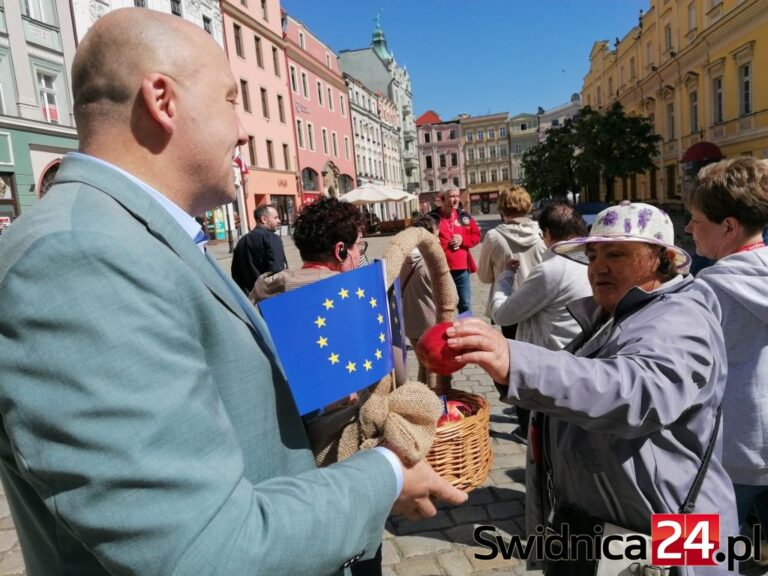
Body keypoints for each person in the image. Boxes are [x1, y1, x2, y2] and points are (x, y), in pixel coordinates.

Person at [0, 9, 465, 576]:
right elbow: (204, 551)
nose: (244, 129)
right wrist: (387, 473)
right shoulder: (74, 257)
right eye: (229, 99)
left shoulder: (135, 235)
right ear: (163, 101)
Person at [447, 201, 738, 574]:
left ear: (662, 260)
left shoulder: (682, 317)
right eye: (593, 254)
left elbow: (635, 392)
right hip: (602, 526)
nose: (599, 266)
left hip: (674, 528)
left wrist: (517, 361)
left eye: (616, 253)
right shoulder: (619, 311)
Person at [684, 157, 768, 563]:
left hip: (721, 455)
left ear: (729, 227)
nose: (688, 229)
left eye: (696, 220)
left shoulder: (704, 292)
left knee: (689, 560)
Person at [489, 201, 590, 446]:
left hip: (550, 368)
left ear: (547, 234)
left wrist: (505, 277)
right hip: (580, 361)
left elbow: (502, 314)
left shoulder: (554, 269)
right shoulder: (591, 258)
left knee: (546, 442)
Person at [477, 185, 547, 338]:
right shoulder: (544, 233)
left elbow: (484, 276)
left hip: (508, 305)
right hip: (539, 303)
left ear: (502, 208)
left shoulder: (493, 236)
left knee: (514, 353)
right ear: (528, 206)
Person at [399, 215, 457, 391]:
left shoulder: (403, 259)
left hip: (411, 325)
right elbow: (453, 298)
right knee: (435, 371)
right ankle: (435, 407)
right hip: (432, 325)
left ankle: (421, 402)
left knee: (423, 366)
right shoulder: (431, 263)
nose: (439, 240)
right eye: (436, 236)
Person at [428, 186, 480, 314]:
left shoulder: (464, 217)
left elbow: (476, 235)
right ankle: (446, 331)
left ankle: (465, 332)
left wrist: (463, 240)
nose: (455, 199)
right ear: (442, 198)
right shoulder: (432, 218)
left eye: (457, 196)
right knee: (443, 305)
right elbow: (421, 237)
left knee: (465, 304)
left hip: (462, 269)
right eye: (451, 196)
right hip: (441, 268)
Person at [230, 203, 287, 294]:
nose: (279, 220)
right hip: (270, 297)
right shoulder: (272, 238)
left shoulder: (242, 241)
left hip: (250, 298)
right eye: (275, 218)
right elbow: (277, 272)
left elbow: (235, 273)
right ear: (264, 219)